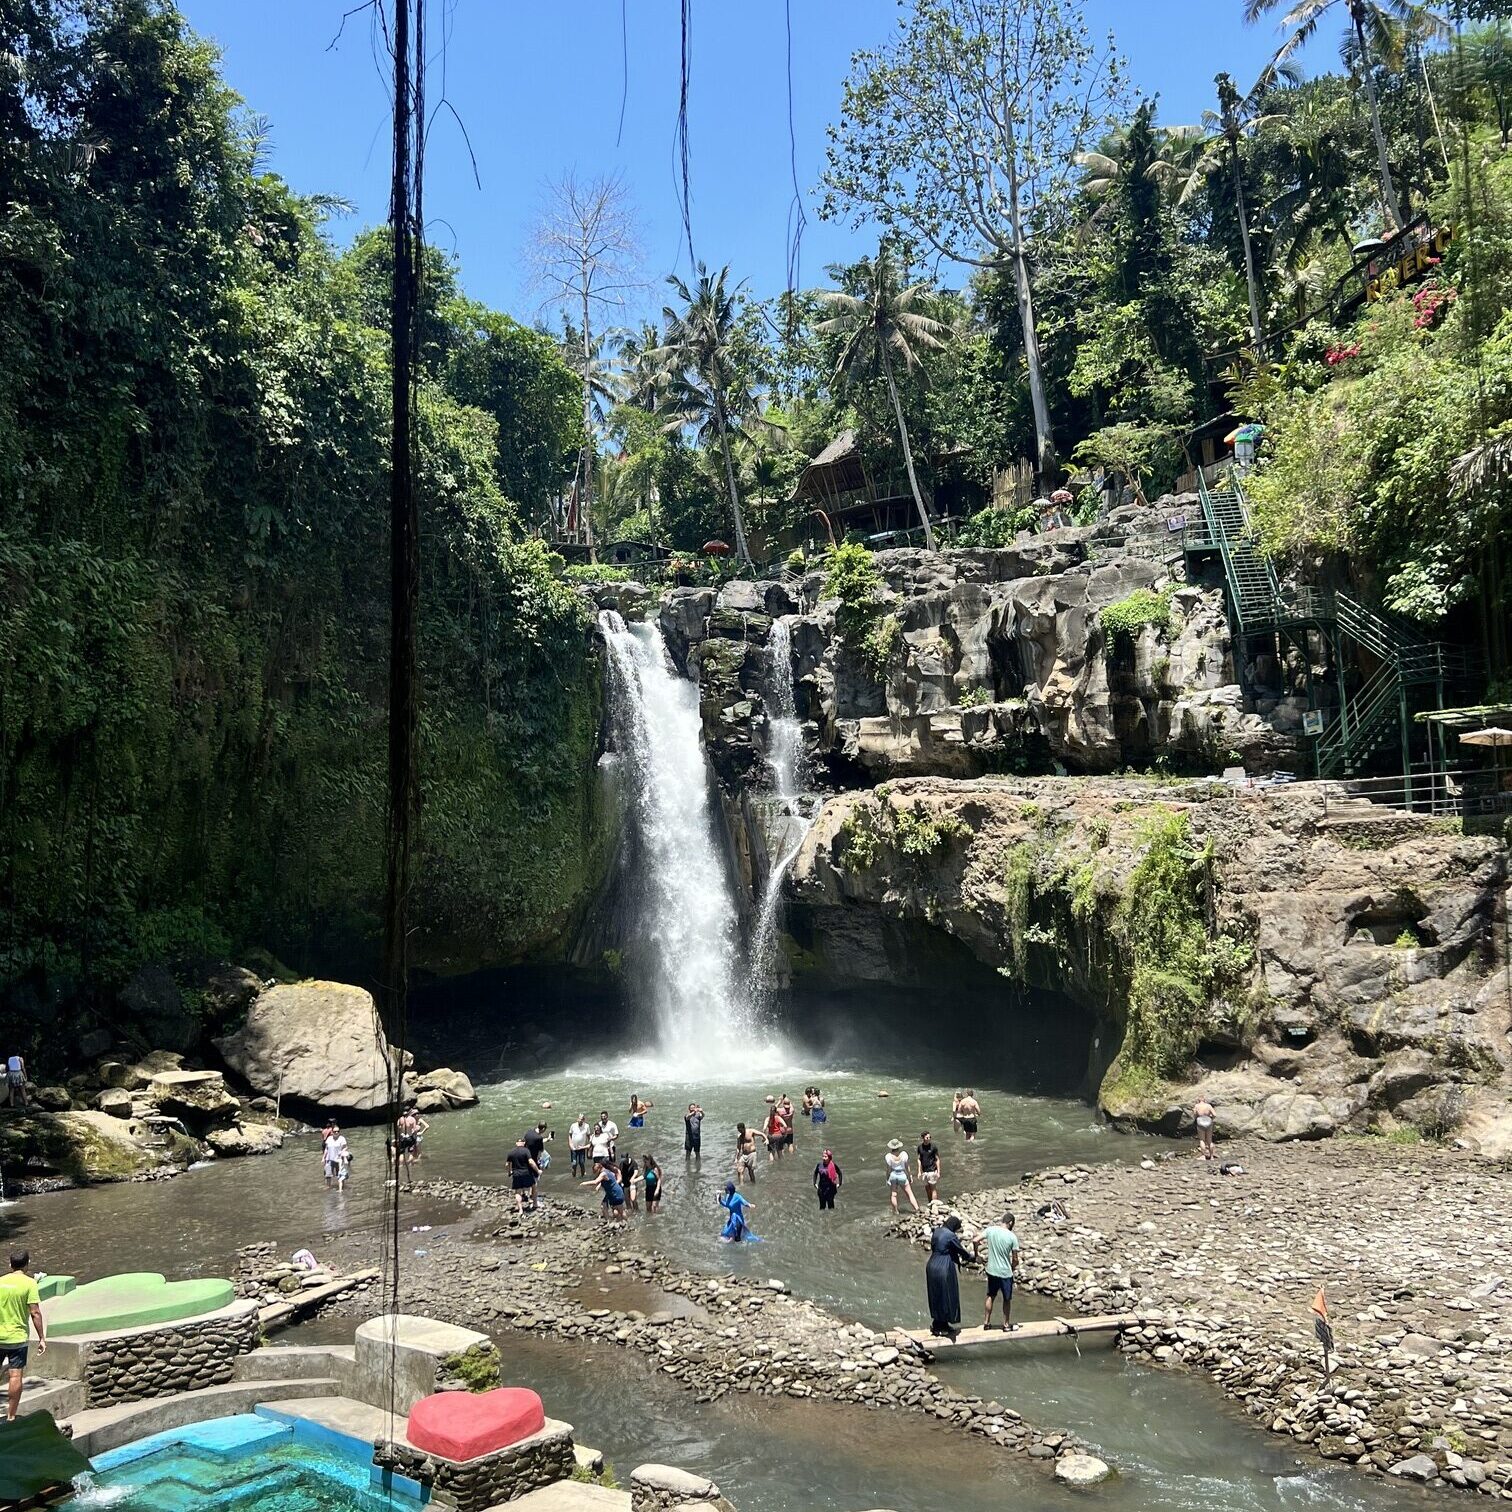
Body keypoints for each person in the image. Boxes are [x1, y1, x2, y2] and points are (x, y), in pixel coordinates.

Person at [1, 1249, 46, 1422]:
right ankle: (11, 1415)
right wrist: (41, 1338)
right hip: (17, 1339)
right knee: (15, 1376)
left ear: (10, 1264)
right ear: (27, 1264)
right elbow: (35, 1312)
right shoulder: (30, 1284)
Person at [925, 1215, 974, 1339]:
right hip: (944, 1267)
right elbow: (960, 1250)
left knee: (936, 1295)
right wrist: (972, 1258)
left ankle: (939, 1323)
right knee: (947, 1296)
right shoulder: (950, 1235)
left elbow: (934, 1246)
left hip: (931, 1265)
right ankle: (941, 1326)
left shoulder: (937, 1231)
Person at [982, 1211, 1022, 1331]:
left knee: (990, 1296)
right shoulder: (1012, 1237)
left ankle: (986, 1323)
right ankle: (1006, 1325)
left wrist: (977, 1254)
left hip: (992, 1270)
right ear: (1010, 1223)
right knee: (1006, 1299)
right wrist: (1013, 1266)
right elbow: (1015, 1258)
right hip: (1005, 1273)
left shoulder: (991, 1230)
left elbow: (975, 1240)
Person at [506, 1136, 540, 1216]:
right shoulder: (526, 1151)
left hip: (516, 1174)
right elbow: (531, 1162)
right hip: (526, 1173)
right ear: (524, 1143)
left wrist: (509, 1171)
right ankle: (535, 1204)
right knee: (533, 1186)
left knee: (518, 1192)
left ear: (516, 1143)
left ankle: (520, 1210)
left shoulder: (511, 1152)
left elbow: (507, 1164)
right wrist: (537, 1170)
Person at [884, 1138, 919, 1214]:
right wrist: (910, 1176)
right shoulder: (903, 1154)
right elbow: (907, 1167)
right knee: (910, 1194)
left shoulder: (888, 1156)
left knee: (894, 1195)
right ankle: (917, 1209)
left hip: (893, 1175)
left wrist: (887, 1179)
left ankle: (896, 1211)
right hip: (902, 1175)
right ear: (899, 1146)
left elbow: (888, 1169)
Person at [394, 1108, 422, 1190]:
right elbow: (414, 1129)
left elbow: (398, 1129)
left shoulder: (400, 1120)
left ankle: (401, 1166)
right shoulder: (412, 1119)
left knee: (402, 1153)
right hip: (410, 1137)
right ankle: (410, 1165)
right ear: (409, 1112)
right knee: (411, 1153)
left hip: (402, 1138)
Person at [916, 1131, 942, 1204]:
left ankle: (935, 1205)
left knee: (933, 1188)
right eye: (927, 1137)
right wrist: (919, 1171)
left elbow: (937, 1159)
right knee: (927, 1188)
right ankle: (930, 1203)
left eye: (930, 1137)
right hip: (924, 1172)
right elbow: (919, 1159)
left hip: (932, 1170)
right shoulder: (920, 1147)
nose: (928, 1139)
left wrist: (938, 1171)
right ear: (923, 1138)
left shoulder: (933, 1147)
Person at [322, 1125, 350, 1189]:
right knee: (328, 1174)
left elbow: (346, 1147)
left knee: (340, 1174)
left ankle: (341, 1187)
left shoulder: (342, 1138)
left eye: (338, 1131)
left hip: (339, 1159)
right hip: (329, 1159)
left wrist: (342, 1152)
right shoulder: (329, 1139)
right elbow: (326, 1148)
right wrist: (323, 1158)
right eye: (335, 1131)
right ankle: (328, 1187)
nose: (336, 1132)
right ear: (332, 1132)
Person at [568, 1113, 592, 1178]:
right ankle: (573, 1177)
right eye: (579, 1119)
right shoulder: (573, 1125)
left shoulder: (586, 1126)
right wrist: (570, 1145)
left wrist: (589, 1146)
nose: (580, 1120)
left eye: (582, 1119)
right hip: (574, 1148)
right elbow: (570, 1135)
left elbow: (589, 1137)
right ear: (577, 1119)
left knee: (581, 1163)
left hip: (582, 1148)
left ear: (584, 1120)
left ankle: (582, 1176)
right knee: (574, 1164)